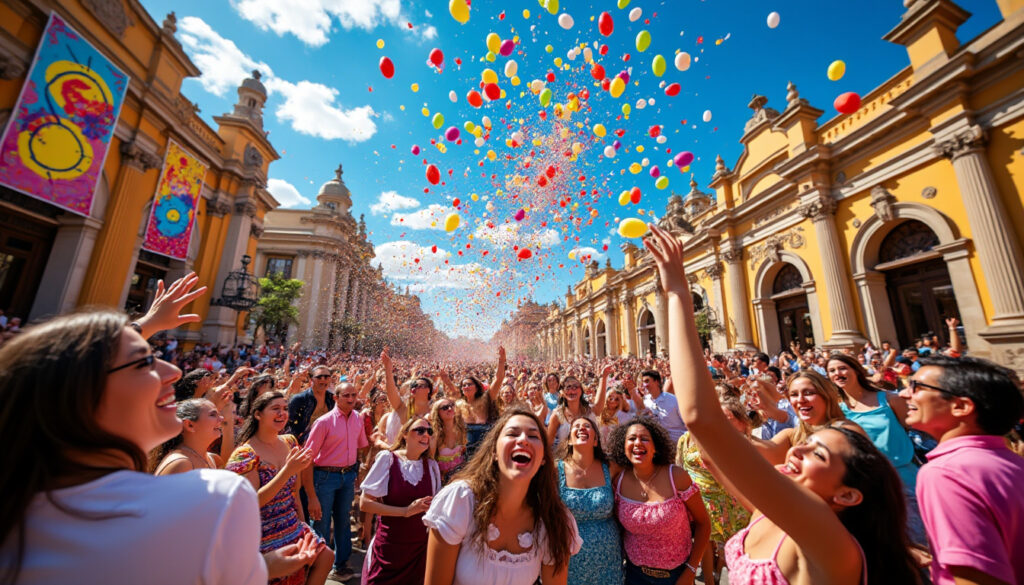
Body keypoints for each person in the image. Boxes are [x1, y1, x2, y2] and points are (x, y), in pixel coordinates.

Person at [644, 223, 920, 585]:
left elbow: (700, 419)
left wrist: (678, 291)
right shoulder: (770, 512)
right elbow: (711, 445)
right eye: (807, 443)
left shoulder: (830, 543)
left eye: (818, 454)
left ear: (848, 495)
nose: (799, 449)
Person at [0, 273, 320, 585]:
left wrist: (146, 324)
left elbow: (73, 369)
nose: (172, 370)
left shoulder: (21, 521)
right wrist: (257, 569)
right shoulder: (218, 498)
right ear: (84, 399)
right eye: (144, 361)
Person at [900, 356, 1024, 585]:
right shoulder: (1012, 462)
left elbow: (977, 577)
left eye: (916, 387)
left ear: (961, 406)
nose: (903, 394)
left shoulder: (945, 473)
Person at [422, 408, 582, 585]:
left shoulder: (554, 521)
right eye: (512, 434)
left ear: (544, 458)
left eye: (533, 436)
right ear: (494, 453)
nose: (523, 440)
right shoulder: (461, 501)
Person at [229, 391, 333, 585]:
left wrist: (304, 526)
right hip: (264, 530)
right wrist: (286, 471)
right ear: (258, 414)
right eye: (275, 409)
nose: (282, 414)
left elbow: (294, 492)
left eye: (285, 409)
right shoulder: (245, 454)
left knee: (325, 557)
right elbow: (251, 502)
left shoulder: (290, 442)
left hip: (291, 523)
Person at [828, 353, 925, 545]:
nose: (837, 373)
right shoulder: (837, 410)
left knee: (918, 541)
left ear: (856, 370)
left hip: (904, 480)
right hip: (867, 485)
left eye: (842, 368)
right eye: (831, 371)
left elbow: (918, 427)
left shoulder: (888, 399)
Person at [608, 417, 710, 585]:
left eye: (645, 439)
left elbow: (704, 523)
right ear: (623, 446)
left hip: (677, 577)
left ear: (656, 447)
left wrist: (691, 571)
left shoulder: (676, 477)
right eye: (631, 439)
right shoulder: (618, 481)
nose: (638, 443)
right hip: (634, 576)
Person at [676, 393, 760, 584]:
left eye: (727, 417)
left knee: (730, 546)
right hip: (698, 499)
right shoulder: (685, 438)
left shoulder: (729, 441)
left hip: (726, 501)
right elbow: (680, 465)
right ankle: (709, 580)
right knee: (703, 543)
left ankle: (722, 573)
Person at [360, 416, 441, 585]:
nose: (426, 435)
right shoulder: (388, 459)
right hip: (389, 548)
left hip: (418, 550)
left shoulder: (431, 466)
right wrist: (405, 511)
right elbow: (365, 503)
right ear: (404, 434)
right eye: (420, 430)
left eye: (429, 431)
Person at [302, 383, 368, 582]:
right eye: (346, 395)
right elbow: (308, 458)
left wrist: (357, 474)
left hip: (347, 477)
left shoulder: (357, 419)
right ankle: (316, 568)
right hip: (325, 477)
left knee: (343, 521)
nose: (350, 399)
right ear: (335, 398)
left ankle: (340, 566)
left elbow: (361, 447)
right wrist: (311, 495)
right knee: (320, 523)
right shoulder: (323, 422)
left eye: (354, 395)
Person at [556, 414, 622, 585]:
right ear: (569, 440)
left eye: (587, 426)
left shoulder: (611, 467)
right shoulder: (555, 471)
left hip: (608, 561)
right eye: (576, 427)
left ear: (595, 440)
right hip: (570, 561)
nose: (581, 428)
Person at [761, 370, 863, 464]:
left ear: (826, 395)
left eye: (808, 393)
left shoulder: (846, 430)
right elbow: (764, 451)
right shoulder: (791, 435)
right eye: (794, 394)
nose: (800, 400)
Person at [439, 347, 506, 458]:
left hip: (484, 439)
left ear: (477, 386)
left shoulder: (486, 398)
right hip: (465, 443)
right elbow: (452, 389)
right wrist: (446, 380)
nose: (466, 386)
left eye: (469, 384)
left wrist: (501, 360)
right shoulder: (459, 403)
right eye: (464, 385)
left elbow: (498, 379)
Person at [151, 398, 229, 474]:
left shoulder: (214, 459)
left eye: (219, 414)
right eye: (213, 415)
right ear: (190, 425)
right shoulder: (181, 464)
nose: (221, 418)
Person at [547, 366, 609, 448]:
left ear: (581, 391)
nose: (572, 390)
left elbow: (599, 403)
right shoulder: (557, 415)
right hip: (567, 459)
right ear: (562, 393)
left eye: (575, 387)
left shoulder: (590, 410)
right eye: (568, 387)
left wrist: (603, 378)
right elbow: (548, 443)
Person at [286, 365, 336, 445]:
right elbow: (288, 423)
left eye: (326, 377)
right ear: (311, 379)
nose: (323, 379)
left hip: (327, 441)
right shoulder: (299, 399)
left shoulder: (332, 398)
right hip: (304, 443)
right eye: (319, 377)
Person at [637, 370, 687, 444]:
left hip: (678, 443)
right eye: (643, 382)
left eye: (647, 381)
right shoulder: (645, 402)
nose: (644, 385)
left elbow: (686, 422)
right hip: (658, 445)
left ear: (656, 381)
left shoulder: (673, 400)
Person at [430, 398, 467, 484]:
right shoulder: (435, 435)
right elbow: (430, 461)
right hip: (440, 480)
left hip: (459, 477)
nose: (450, 409)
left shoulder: (460, 430)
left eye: (451, 405)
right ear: (437, 412)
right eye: (445, 407)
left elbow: (463, 451)